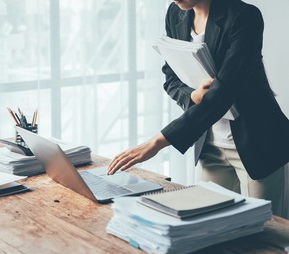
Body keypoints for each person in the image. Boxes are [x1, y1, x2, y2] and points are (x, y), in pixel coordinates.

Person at [107, 0, 289, 216]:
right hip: (209, 145)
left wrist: (158, 141)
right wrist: (193, 95)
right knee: (206, 224)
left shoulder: (245, 16)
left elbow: (225, 92)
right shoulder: (176, 13)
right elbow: (171, 77)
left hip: (257, 144)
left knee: (263, 232)